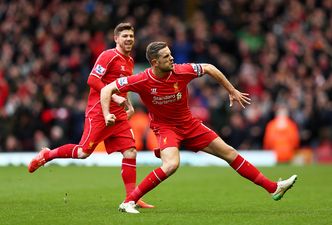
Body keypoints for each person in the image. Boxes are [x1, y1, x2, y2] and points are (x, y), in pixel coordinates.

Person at [100, 41, 298, 214]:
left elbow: (210, 68)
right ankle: (128, 202)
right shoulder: (142, 79)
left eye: (170, 54)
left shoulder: (181, 70)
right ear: (154, 62)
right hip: (166, 128)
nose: (172, 58)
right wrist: (108, 112)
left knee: (229, 153)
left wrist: (231, 90)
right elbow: (107, 89)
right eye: (166, 56)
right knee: (171, 165)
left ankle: (273, 188)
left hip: (190, 124)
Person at [28, 23, 154, 208]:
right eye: (125, 36)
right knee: (83, 152)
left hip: (118, 114)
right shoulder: (108, 56)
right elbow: (92, 79)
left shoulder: (130, 61)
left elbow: (123, 87)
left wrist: (128, 104)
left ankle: (131, 198)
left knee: (130, 152)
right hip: (99, 112)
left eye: (131, 36)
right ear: (116, 38)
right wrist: (115, 97)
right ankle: (47, 155)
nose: (128, 39)